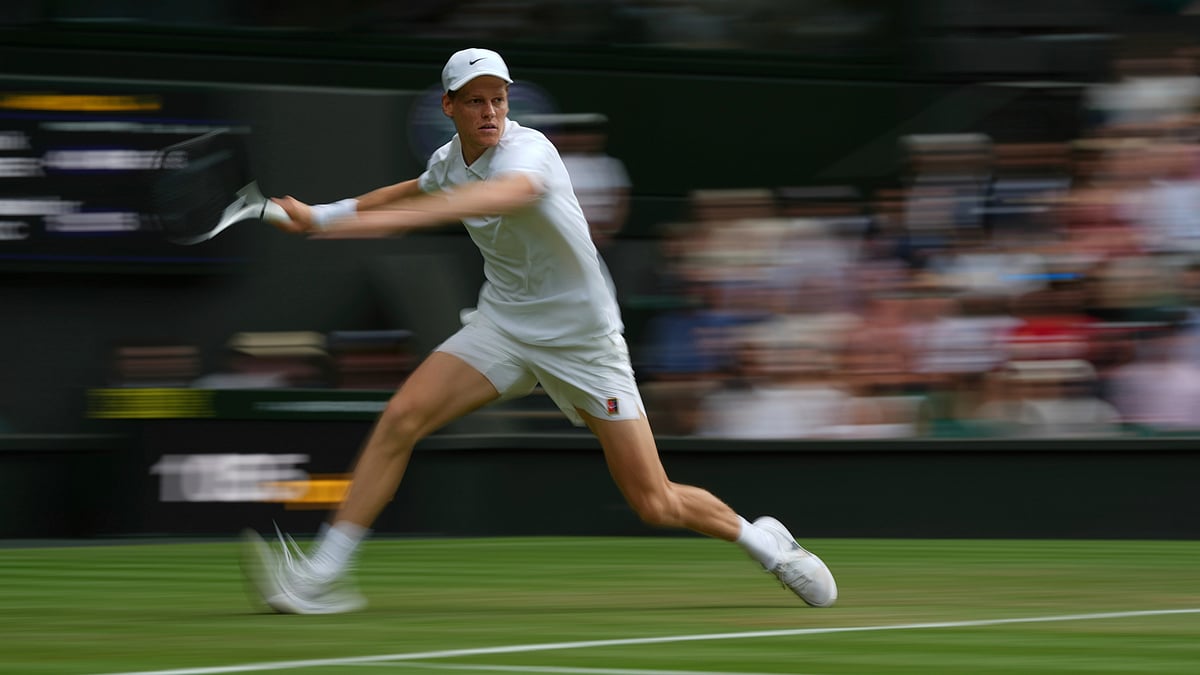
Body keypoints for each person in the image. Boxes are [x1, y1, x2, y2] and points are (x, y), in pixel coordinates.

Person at [240, 48, 837, 614]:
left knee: (653, 502)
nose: (490, 111)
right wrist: (322, 216)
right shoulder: (448, 162)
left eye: (498, 98)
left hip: (583, 342)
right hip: (505, 325)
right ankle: (323, 576)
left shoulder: (531, 153)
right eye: (474, 101)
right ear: (448, 106)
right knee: (401, 418)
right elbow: (411, 190)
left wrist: (376, 226)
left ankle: (767, 545)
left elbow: (508, 193)